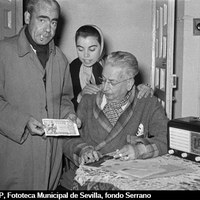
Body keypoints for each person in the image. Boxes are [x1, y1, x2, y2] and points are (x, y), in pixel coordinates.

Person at [60, 51, 168, 190]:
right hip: (86, 179)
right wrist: (83, 151)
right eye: (103, 79)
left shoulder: (147, 103)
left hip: (127, 181)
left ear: (129, 83)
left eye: (111, 82)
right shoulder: (88, 100)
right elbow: (68, 139)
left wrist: (140, 149)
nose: (104, 88)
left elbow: (167, 138)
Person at [0, 0, 79, 190]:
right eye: (42, 20)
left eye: (53, 22)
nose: (48, 29)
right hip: (14, 155)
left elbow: (64, 99)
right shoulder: (3, 52)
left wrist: (70, 115)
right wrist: (23, 121)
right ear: (27, 17)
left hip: (52, 159)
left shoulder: (60, 58)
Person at [70, 25, 153, 111]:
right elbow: (66, 105)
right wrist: (80, 96)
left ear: (101, 47)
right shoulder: (72, 68)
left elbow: (130, 89)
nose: (86, 55)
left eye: (92, 49)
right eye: (80, 49)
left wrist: (143, 89)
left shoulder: (112, 64)